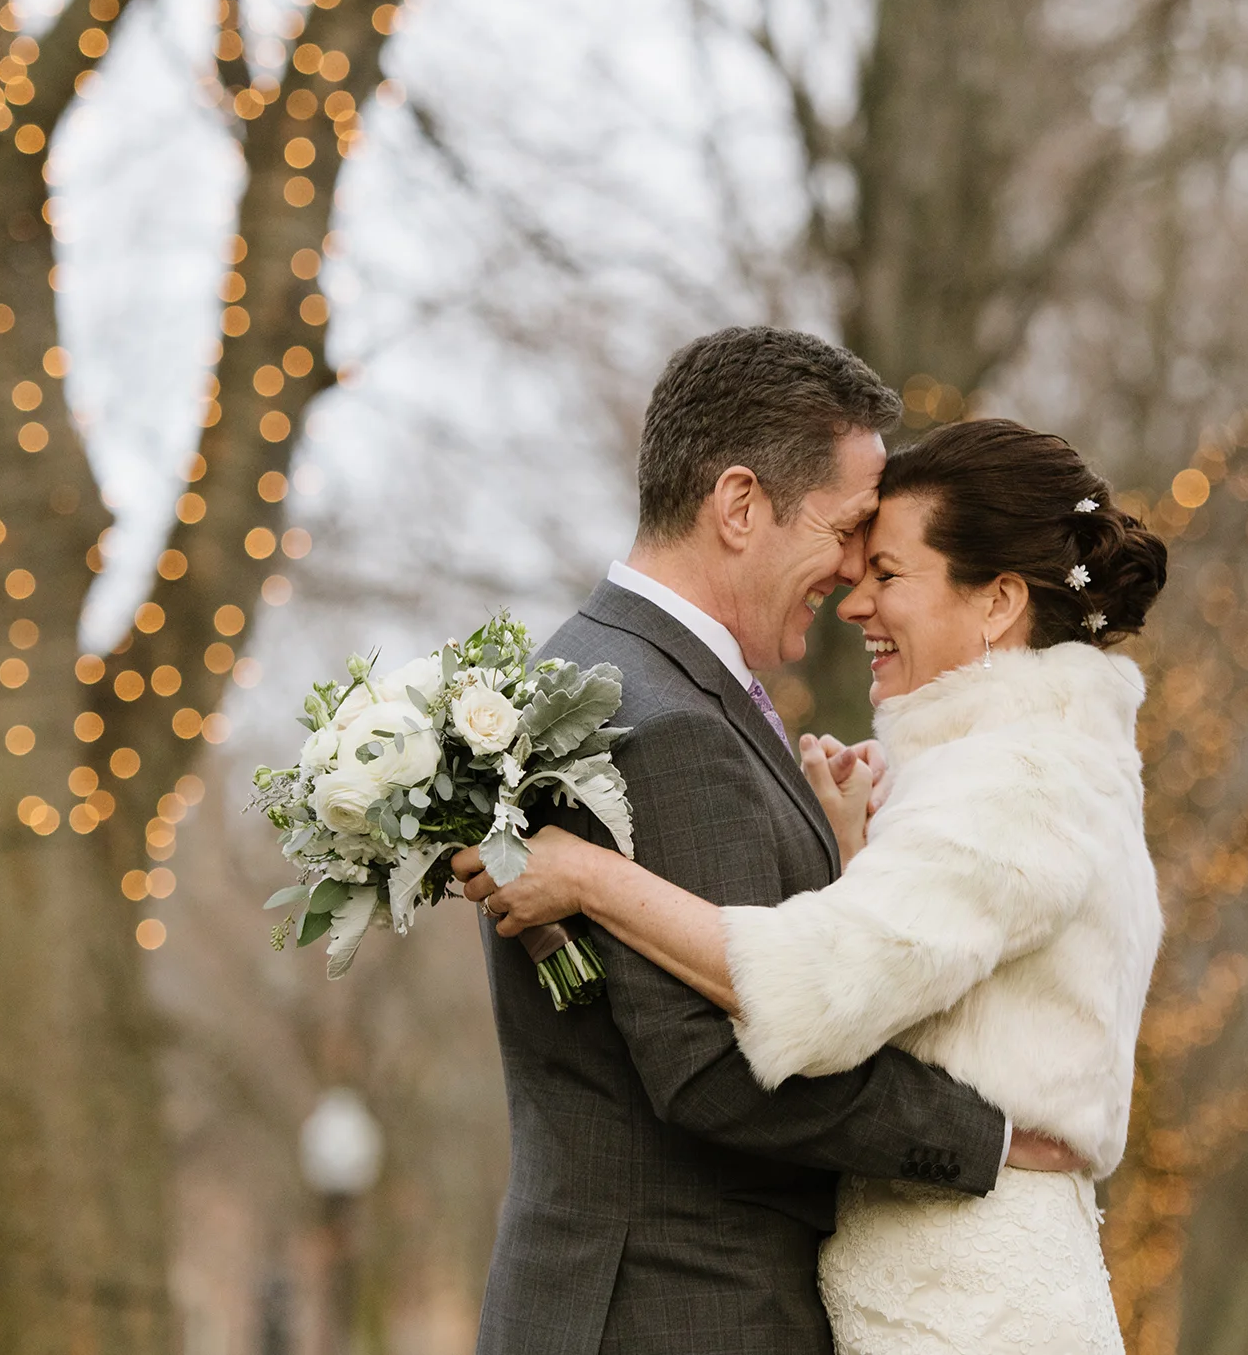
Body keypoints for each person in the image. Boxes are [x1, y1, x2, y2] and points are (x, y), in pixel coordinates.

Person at [459, 413, 1169, 1354]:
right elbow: (925, 975)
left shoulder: (1018, 778)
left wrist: (591, 877)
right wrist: (854, 852)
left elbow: (817, 989)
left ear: (998, 601)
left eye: (888, 574)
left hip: (969, 1304)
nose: (854, 600)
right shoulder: (1037, 760)